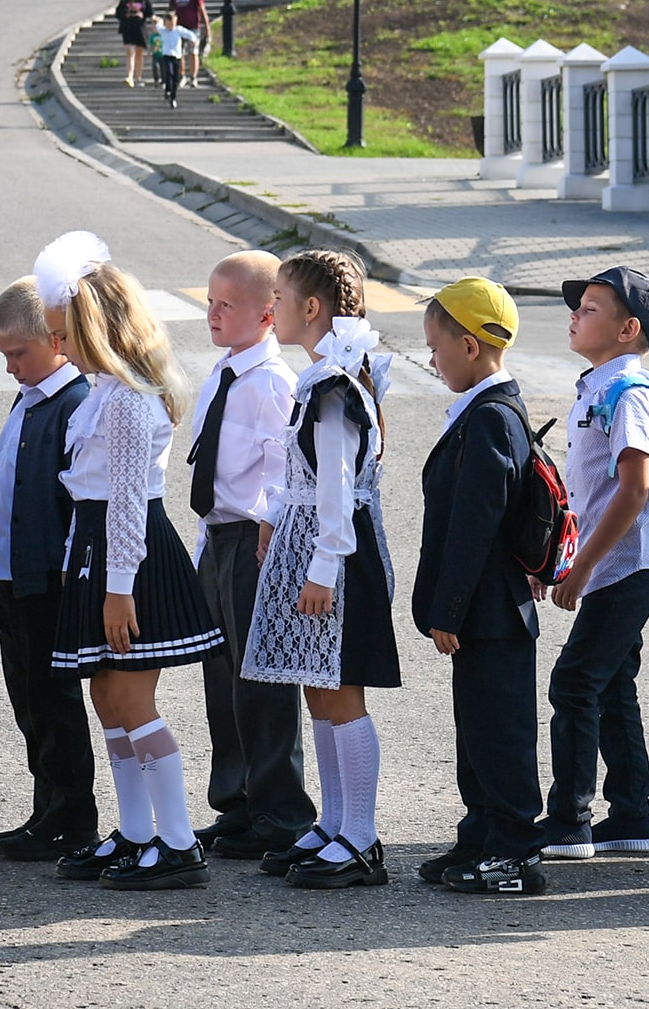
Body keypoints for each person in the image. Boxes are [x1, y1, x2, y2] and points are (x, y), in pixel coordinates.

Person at [37, 231, 224, 891]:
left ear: (96, 328)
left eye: (65, 333)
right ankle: (137, 831)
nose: (58, 345)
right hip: (100, 552)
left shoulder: (126, 400)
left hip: (130, 559)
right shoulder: (104, 392)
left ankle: (178, 842)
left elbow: (124, 503)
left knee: (128, 696)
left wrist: (118, 589)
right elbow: (89, 498)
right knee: (105, 695)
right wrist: (78, 565)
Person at [244, 250, 400, 889]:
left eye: (279, 298)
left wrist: (323, 568)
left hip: (333, 554)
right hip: (310, 546)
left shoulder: (334, 387)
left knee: (340, 692)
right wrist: (276, 517)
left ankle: (360, 836)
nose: (271, 308)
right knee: (317, 687)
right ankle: (334, 824)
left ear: (311, 307)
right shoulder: (320, 378)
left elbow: (337, 486)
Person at [537, 267, 649, 863]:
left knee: (574, 683)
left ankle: (569, 821)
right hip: (612, 562)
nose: (575, 315)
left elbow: (634, 489)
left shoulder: (629, 393)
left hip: (627, 563)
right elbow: (588, 495)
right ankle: (631, 817)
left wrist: (582, 569)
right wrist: (564, 560)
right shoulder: (598, 387)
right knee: (613, 683)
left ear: (628, 330)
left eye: (591, 308)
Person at [413, 279, 545, 896]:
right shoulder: (485, 409)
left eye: (435, 347)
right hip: (488, 608)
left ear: (469, 345)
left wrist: (450, 609)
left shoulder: (490, 417)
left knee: (501, 734)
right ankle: (481, 835)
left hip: (490, 609)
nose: (431, 359)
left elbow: (475, 525)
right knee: (477, 731)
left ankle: (514, 853)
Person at [185, 251, 315, 860]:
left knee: (262, 682)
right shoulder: (225, 371)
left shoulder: (272, 382)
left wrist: (268, 532)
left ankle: (281, 813)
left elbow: (284, 468)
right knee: (222, 679)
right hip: (219, 538)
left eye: (227, 305)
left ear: (268, 314)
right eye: (210, 302)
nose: (213, 314)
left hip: (254, 541)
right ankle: (237, 803)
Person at [0, 279, 99, 862]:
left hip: (46, 580)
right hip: (10, 577)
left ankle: (72, 818)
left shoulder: (75, 403)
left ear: (56, 340)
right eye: (3, 355)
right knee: (27, 699)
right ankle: (45, 807)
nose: (9, 367)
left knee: (53, 702)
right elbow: (3, 489)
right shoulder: (29, 396)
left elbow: (76, 505)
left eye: (17, 354)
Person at [169, 0, 208, 87]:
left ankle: (193, 77)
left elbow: (202, 10)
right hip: (178, 28)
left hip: (193, 28)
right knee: (179, 53)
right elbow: (171, 11)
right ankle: (182, 76)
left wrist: (207, 27)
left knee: (193, 52)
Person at [114, 0, 154, 89]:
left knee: (139, 53)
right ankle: (130, 76)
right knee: (130, 52)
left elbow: (150, 13)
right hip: (128, 28)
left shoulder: (145, 0)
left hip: (140, 29)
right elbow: (118, 13)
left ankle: (138, 77)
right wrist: (126, 13)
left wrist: (142, 14)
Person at [156, 15, 197, 108]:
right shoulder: (163, 30)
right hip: (167, 55)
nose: (171, 26)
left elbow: (188, 33)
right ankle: (168, 90)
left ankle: (173, 97)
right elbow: (158, 25)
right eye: (169, 24)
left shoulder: (178, 30)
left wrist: (193, 39)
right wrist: (159, 20)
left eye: (173, 24)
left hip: (176, 56)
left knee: (175, 77)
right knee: (169, 72)